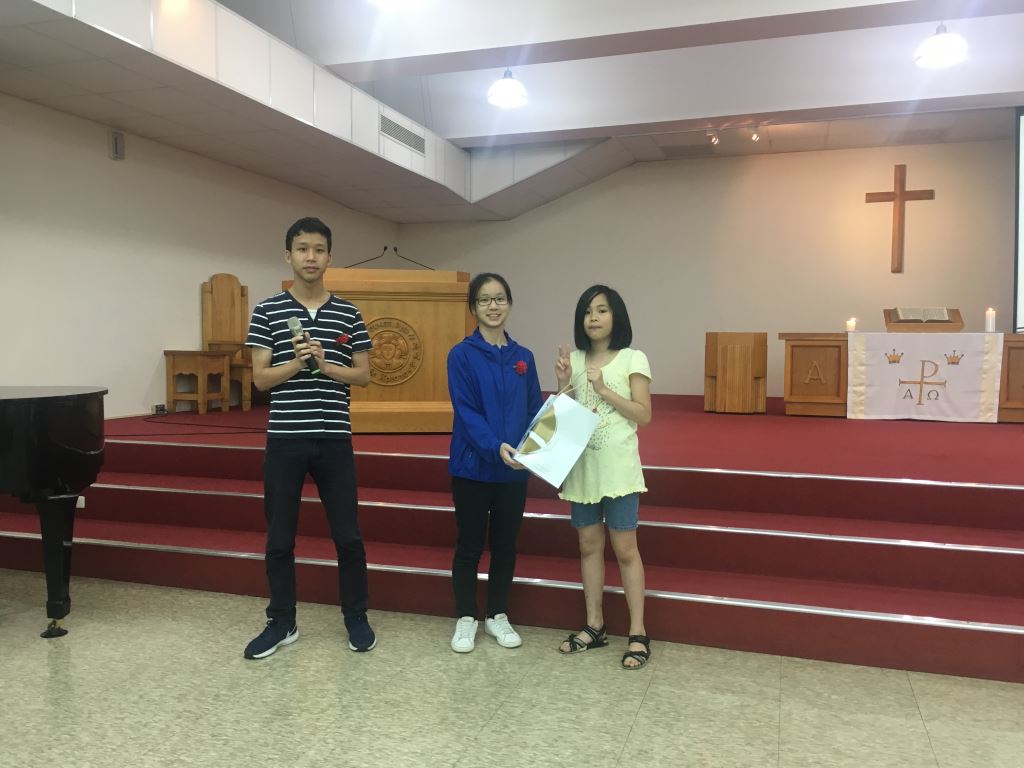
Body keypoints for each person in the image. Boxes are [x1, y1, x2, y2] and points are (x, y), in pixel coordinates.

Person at [242, 216, 376, 659]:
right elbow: (261, 379)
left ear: (330, 257)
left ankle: (356, 616)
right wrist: (299, 363)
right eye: (302, 249)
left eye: (319, 249)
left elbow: (363, 376)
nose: (311, 257)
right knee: (279, 538)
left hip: (335, 439)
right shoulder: (267, 311)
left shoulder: (348, 313)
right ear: (288, 255)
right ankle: (282, 621)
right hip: (285, 438)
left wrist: (325, 363)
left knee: (348, 536)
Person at [555, 284, 653, 669]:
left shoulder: (632, 358)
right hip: (583, 467)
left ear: (616, 316)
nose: (593, 318)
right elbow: (566, 419)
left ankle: (638, 632)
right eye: (587, 311)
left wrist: (603, 389)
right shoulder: (575, 359)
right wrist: (563, 381)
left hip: (618, 469)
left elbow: (643, 414)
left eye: (601, 310)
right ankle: (594, 625)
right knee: (588, 546)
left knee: (626, 549)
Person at [447, 273, 542, 653]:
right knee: (469, 544)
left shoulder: (524, 357)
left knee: (505, 545)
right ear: (473, 307)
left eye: (500, 298)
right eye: (485, 299)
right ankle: (466, 617)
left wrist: (533, 450)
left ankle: (497, 614)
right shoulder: (461, 355)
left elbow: (534, 409)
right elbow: (466, 411)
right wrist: (493, 446)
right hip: (472, 467)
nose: (493, 306)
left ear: (510, 304)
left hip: (513, 470)